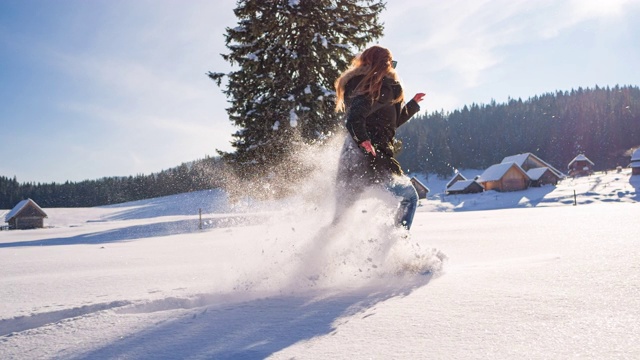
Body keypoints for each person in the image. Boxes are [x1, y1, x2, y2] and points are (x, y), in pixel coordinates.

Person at [333, 45, 425, 230]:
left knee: (341, 219)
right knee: (409, 198)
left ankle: (317, 253)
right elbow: (354, 118)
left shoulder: (363, 84)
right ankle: (398, 246)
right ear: (385, 64)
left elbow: (391, 122)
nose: (393, 67)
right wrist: (364, 140)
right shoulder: (379, 85)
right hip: (371, 158)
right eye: (392, 63)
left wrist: (413, 105)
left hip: (351, 157)